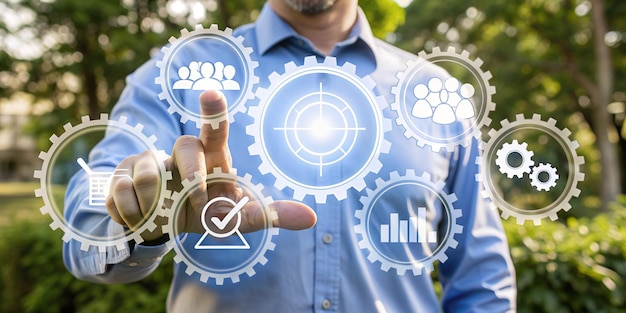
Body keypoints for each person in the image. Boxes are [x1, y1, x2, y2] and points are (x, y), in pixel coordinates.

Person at [63, 0, 517, 312]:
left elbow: (482, 276)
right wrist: (136, 218)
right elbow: (86, 222)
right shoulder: (176, 72)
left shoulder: (437, 95)